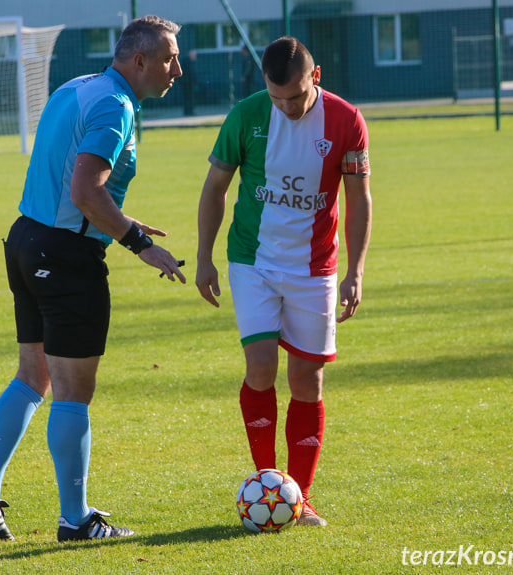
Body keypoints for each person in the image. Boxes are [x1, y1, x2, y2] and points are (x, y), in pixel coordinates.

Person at [0, 15, 186, 543]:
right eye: (170, 58)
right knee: (72, 390)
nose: (178, 68)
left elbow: (71, 183)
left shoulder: (78, 87)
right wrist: (139, 244)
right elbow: (86, 191)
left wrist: (123, 221)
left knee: (32, 376)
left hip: (26, 241)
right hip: (64, 257)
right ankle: (76, 519)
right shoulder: (115, 105)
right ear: (139, 61)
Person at [195, 37, 372, 527]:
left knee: (307, 380)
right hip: (253, 261)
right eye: (277, 98)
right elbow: (215, 189)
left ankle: (301, 497)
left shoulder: (345, 120)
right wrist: (205, 258)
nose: (287, 107)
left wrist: (355, 271)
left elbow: (359, 199)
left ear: (314, 78)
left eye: (294, 97)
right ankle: (269, 485)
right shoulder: (247, 116)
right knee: (260, 367)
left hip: (315, 268)